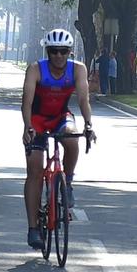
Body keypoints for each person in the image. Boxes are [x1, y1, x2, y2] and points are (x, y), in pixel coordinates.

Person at [22, 29, 96, 251]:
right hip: (36, 119)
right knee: (34, 171)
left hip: (60, 117)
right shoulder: (36, 69)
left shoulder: (78, 69)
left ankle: (68, 182)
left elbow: (83, 99)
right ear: (48, 51)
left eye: (63, 52)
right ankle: (33, 228)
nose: (58, 56)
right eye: (53, 51)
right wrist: (27, 127)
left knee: (73, 139)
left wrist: (89, 124)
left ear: (69, 52)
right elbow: (26, 101)